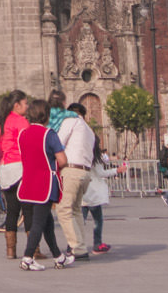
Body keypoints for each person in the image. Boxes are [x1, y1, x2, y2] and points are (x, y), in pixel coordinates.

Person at [16, 99, 71, 271]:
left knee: (46, 222)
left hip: (27, 182)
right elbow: (62, 160)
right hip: (44, 183)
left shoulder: (22, 134)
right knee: (39, 223)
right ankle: (27, 257)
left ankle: (58, 256)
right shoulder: (50, 134)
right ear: (46, 115)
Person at [54, 101, 96, 260]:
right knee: (76, 210)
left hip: (71, 169)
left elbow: (58, 143)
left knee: (64, 210)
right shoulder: (89, 129)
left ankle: (77, 248)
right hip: (84, 172)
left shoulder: (70, 122)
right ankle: (80, 245)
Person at [0, 90, 30, 259]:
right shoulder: (21, 121)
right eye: (26, 103)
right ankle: (33, 249)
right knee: (28, 209)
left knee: (12, 210)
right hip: (21, 166)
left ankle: (10, 250)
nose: (28, 106)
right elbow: (29, 143)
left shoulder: (3, 122)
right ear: (17, 105)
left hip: (6, 168)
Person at [81, 134, 123, 252]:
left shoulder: (81, 155)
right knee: (98, 220)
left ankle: (72, 245)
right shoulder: (94, 157)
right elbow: (101, 173)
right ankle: (97, 243)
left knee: (80, 221)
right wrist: (117, 170)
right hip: (93, 193)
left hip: (82, 191)